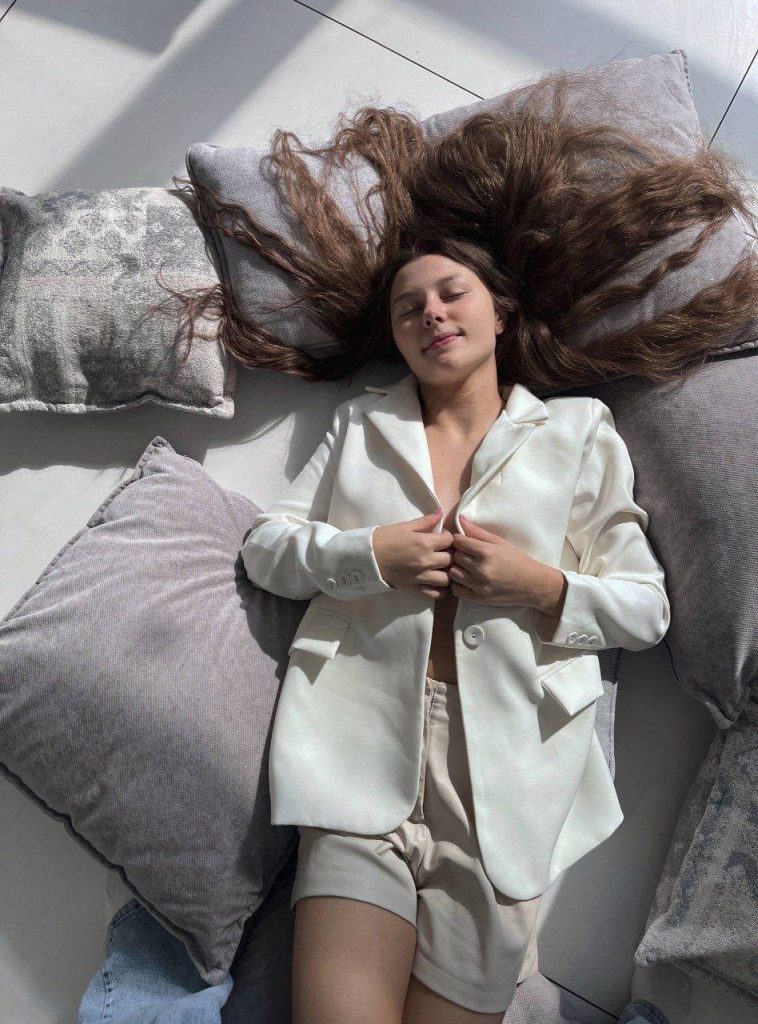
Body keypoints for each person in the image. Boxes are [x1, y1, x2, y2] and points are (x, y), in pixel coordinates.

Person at [79, 66, 756, 1024]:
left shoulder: (578, 434)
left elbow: (644, 610)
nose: (431, 312)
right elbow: (271, 548)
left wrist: (536, 583)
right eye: (408, 307)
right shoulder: (367, 424)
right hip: (360, 756)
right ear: (395, 339)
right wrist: (371, 559)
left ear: (499, 311)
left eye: (451, 293)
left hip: (507, 784)